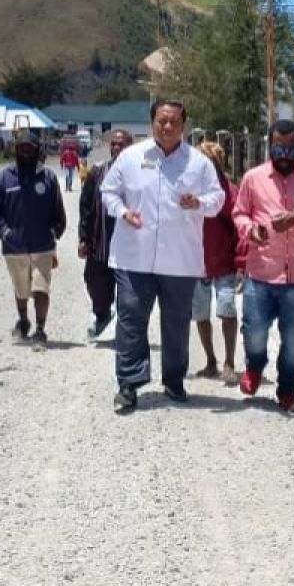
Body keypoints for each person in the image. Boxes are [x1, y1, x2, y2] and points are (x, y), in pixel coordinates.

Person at [100, 99, 224, 413]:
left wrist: (199, 202)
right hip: (134, 258)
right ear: (152, 121)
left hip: (180, 261)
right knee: (130, 319)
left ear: (184, 125)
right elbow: (108, 192)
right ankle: (128, 384)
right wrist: (123, 212)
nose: (167, 127)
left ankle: (173, 380)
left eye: (174, 122)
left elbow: (218, 198)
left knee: (176, 323)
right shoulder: (130, 157)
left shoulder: (198, 162)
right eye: (161, 121)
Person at [233, 120, 294, 411]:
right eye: (278, 147)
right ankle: (254, 367)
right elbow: (239, 214)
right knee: (254, 332)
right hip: (260, 274)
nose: (283, 154)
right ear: (269, 145)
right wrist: (252, 230)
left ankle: (287, 391)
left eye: (289, 148)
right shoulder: (253, 178)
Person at [0, 130, 67, 351]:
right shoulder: (4, 178)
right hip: (14, 247)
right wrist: (4, 232)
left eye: (29, 148)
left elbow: (58, 211)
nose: (25, 152)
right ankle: (23, 320)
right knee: (21, 288)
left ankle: (40, 330)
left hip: (43, 246)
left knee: (42, 288)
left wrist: (54, 233)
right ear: (15, 150)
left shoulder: (48, 177)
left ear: (37, 150)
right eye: (21, 148)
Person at [191, 141, 240, 383]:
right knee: (201, 314)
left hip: (225, 262)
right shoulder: (190, 190)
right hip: (197, 263)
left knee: (227, 310)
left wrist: (242, 263)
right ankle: (211, 360)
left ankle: (229, 362)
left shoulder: (230, 191)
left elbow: (240, 227)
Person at [78, 128, 132, 341]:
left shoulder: (140, 174)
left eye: (122, 144)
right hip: (100, 243)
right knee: (94, 283)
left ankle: (126, 329)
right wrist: (84, 237)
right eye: (114, 144)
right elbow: (86, 207)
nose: (116, 148)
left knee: (128, 292)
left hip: (128, 248)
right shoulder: (98, 172)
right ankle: (102, 315)